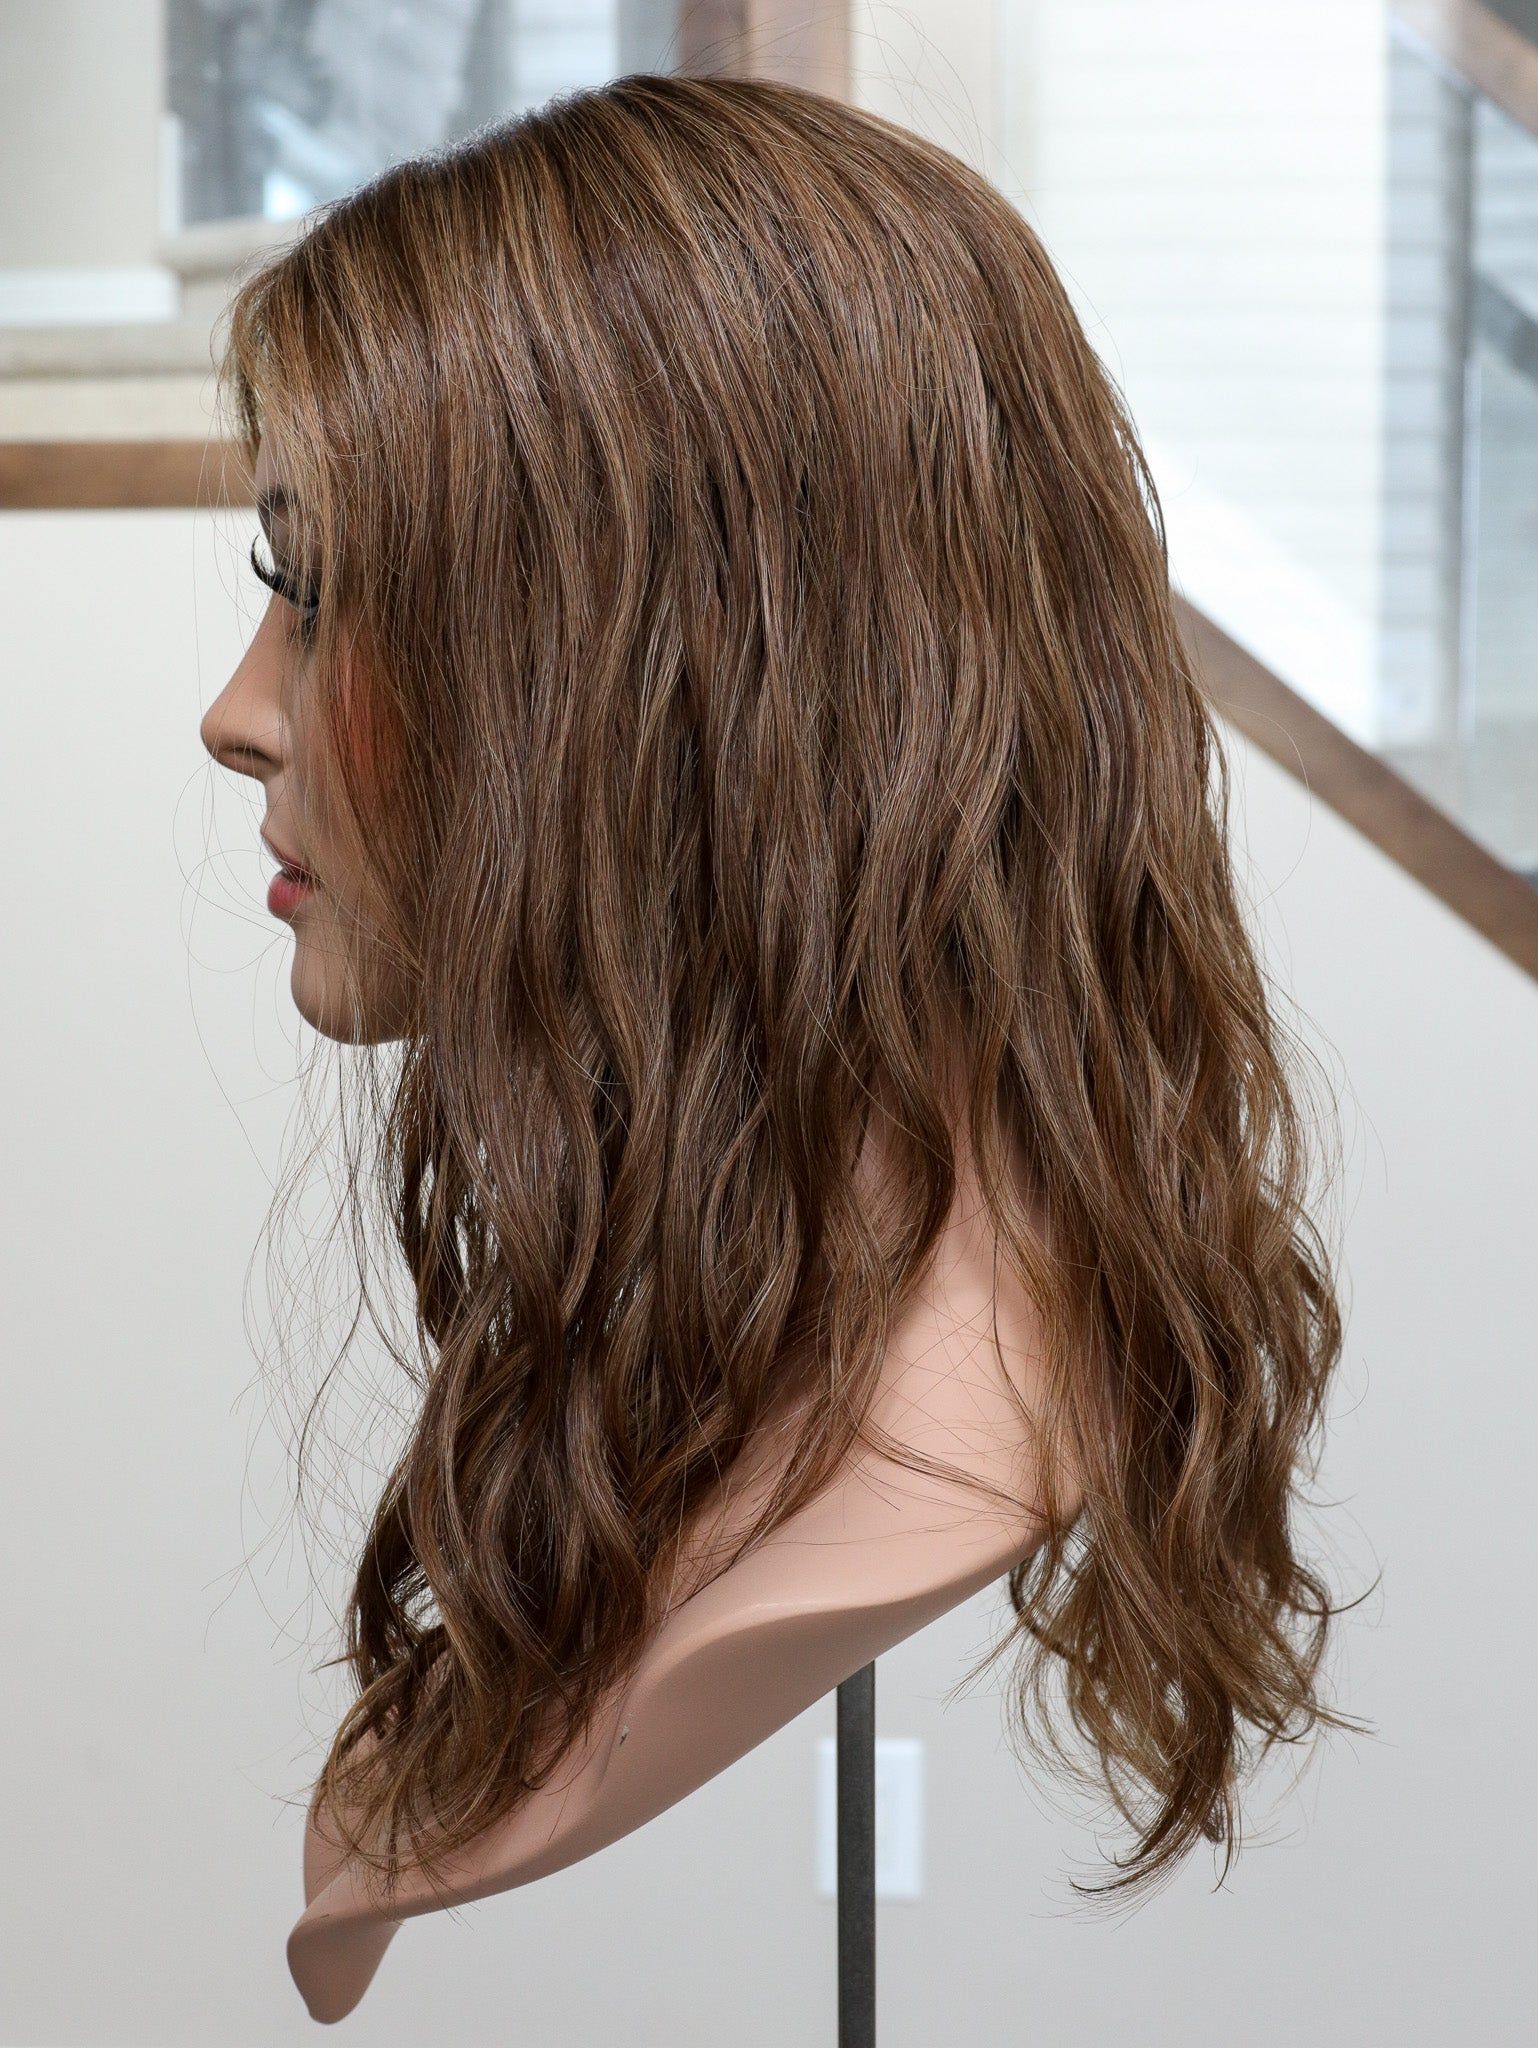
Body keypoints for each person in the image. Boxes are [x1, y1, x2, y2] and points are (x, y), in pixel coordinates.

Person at [200, 71, 1358, 2024]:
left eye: (320, 598)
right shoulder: (706, 1371)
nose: (239, 713)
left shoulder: (927, 1444)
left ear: (683, 667)